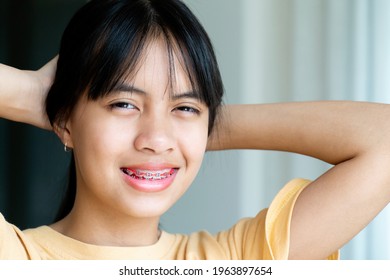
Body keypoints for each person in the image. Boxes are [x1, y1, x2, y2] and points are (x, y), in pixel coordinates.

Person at [0, 0, 390, 260]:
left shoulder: (235, 261)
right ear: (66, 122)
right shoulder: (16, 257)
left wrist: (198, 129)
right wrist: (29, 93)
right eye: (124, 103)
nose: (155, 138)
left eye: (185, 106)